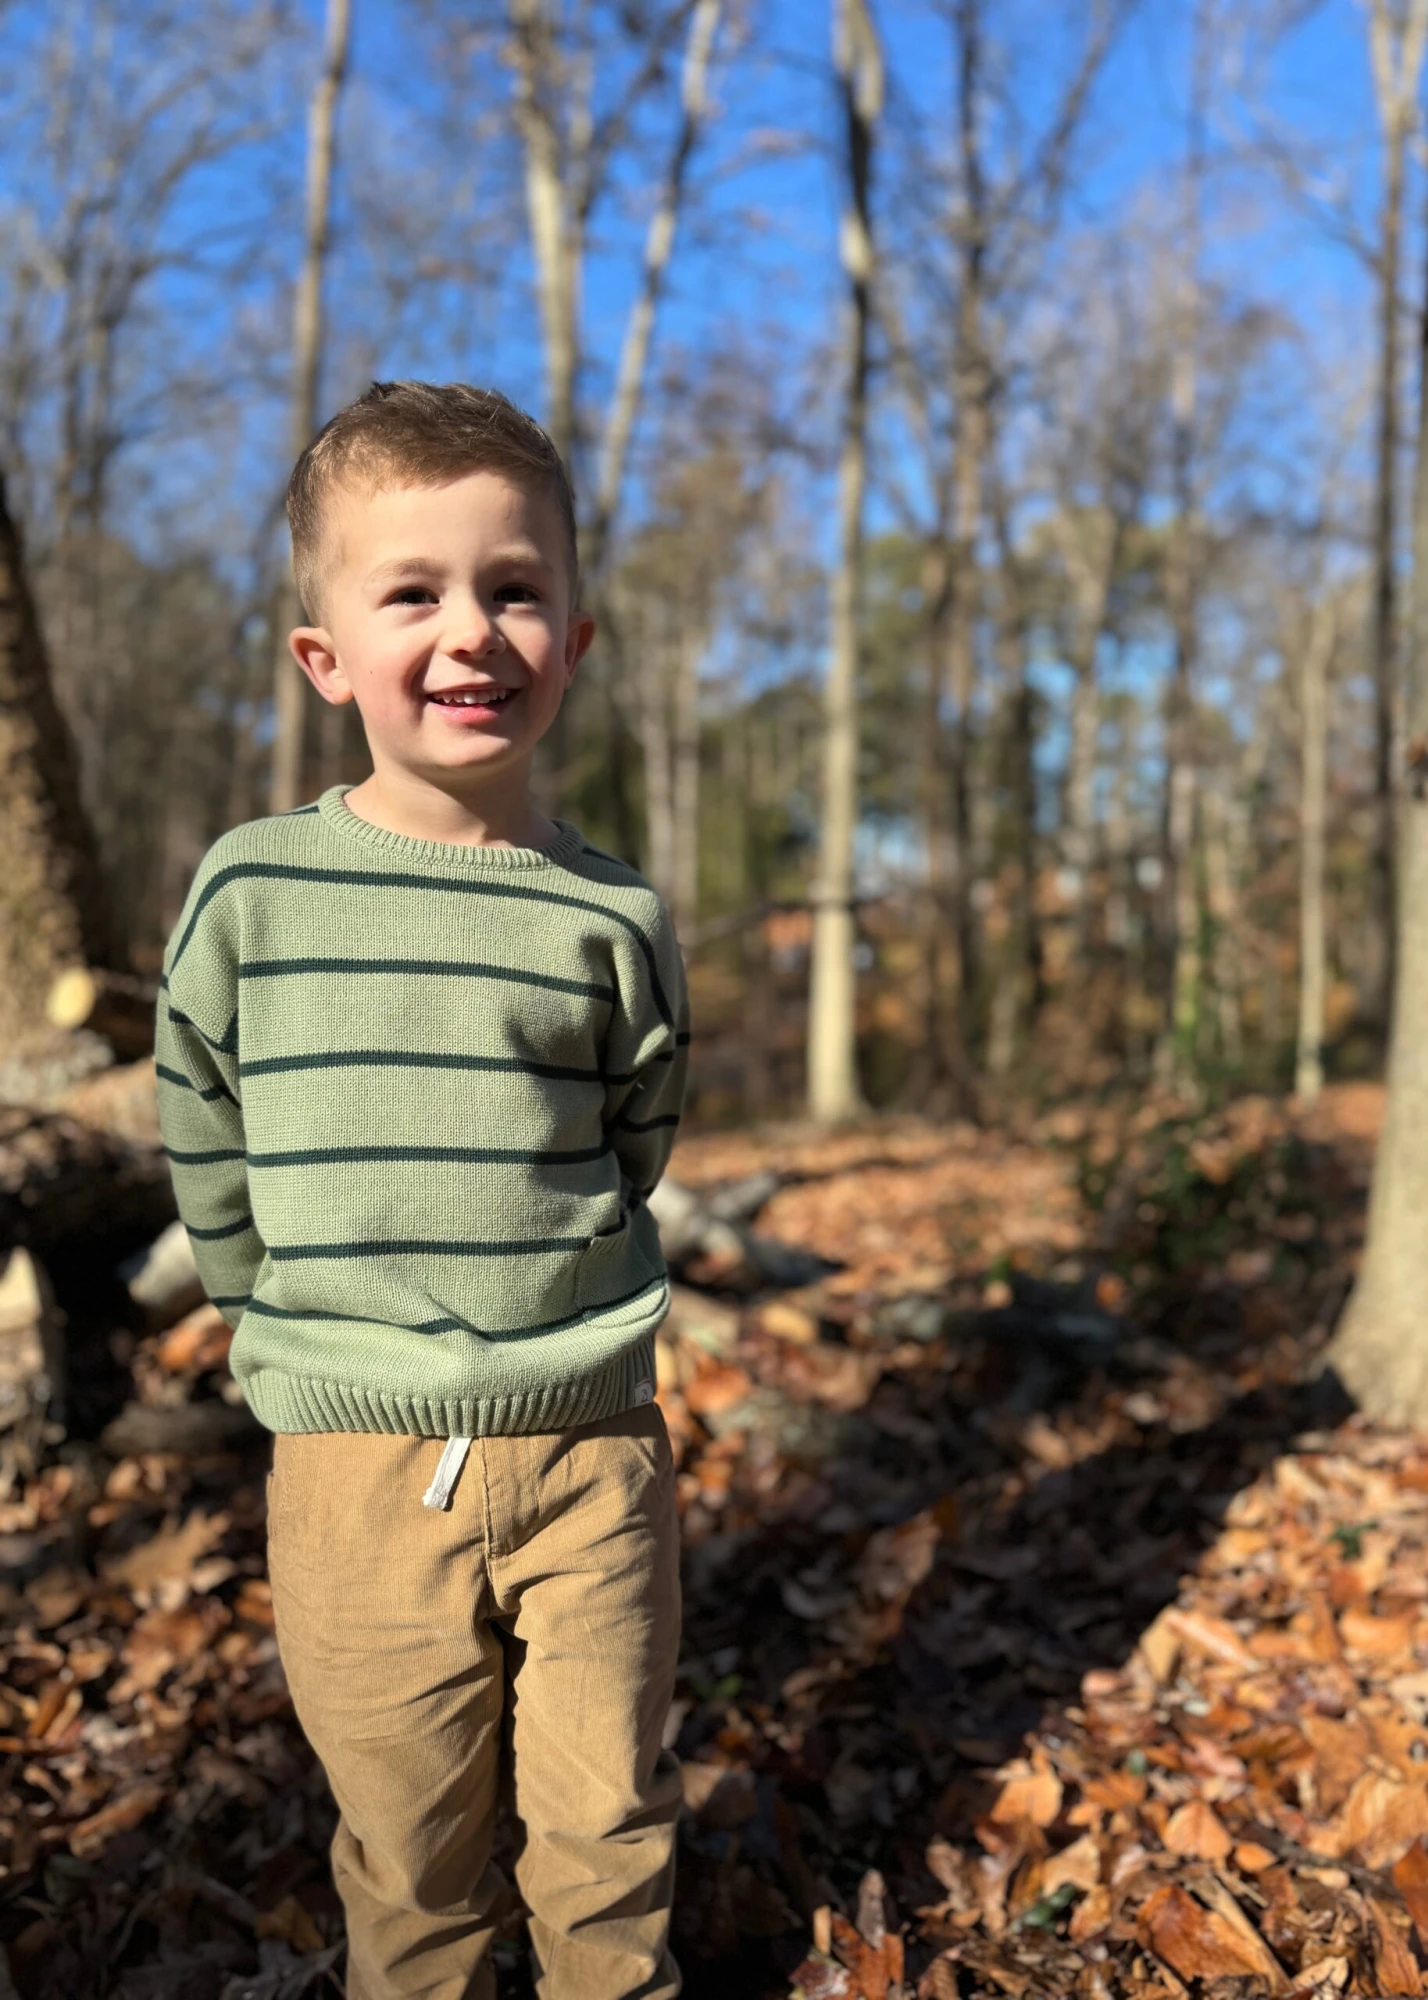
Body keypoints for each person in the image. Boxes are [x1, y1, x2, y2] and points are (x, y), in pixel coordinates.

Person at [155, 380, 690, 2000]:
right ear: (325, 657)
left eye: (514, 588)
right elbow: (202, 1111)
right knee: (410, 1856)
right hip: (355, 1463)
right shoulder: (256, 892)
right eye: (414, 594)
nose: (473, 631)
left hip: (590, 1442)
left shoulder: (608, 913)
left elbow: (639, 1128)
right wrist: (266, 1309)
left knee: (609, 1836)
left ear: (572, 640)